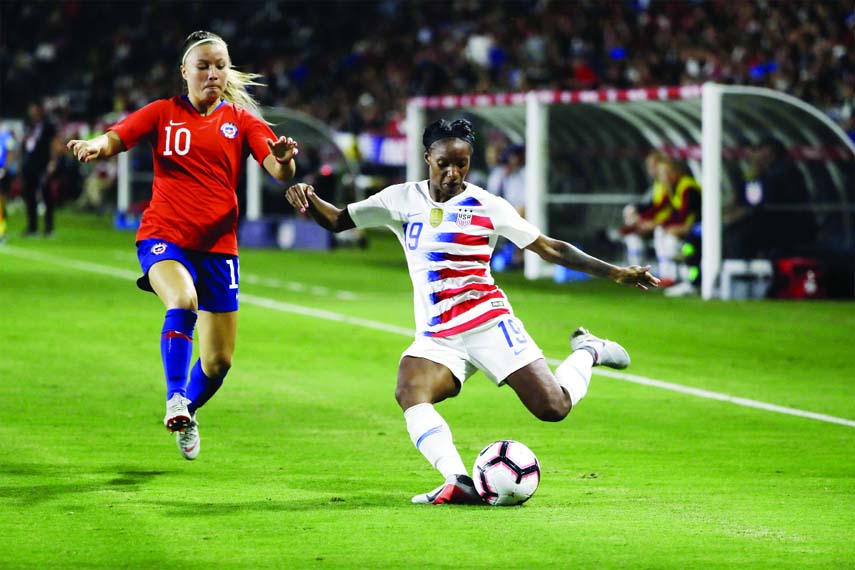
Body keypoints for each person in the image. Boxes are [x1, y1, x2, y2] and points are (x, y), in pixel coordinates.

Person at [285, 118, 658, 504]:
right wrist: (306, 194)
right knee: (409, 390)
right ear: (427, 157)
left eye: (461, 164)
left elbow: (551, 248)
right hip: (438, 335)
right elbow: (336, 220)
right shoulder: (400, 199)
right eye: (444, 163)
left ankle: (589, 350)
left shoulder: (487, 206)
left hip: (489, 324)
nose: (453, 173)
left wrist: (615, 273)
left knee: (554, 407)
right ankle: (457, 479)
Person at [66, 30, 299, 460]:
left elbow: (278, 170)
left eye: (220, 66)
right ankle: (175, 395)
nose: (213, 74)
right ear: (184, 72)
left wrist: (284, 160)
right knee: (183, 300)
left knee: (218, 363)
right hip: (163, 237)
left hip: (219, 248)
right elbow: (118, 136)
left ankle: (185, 411)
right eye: (204, 66)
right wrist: (95, 147)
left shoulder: (243, 122)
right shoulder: (162, 113)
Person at [652, 158, 702, 297]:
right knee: (662, 233)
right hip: (689, 227)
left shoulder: (687, 187)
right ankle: (668, 276)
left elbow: (686, 213)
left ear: (675, 172)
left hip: (697, 227)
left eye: (665, 172)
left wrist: (671, 226)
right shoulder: (673, 188)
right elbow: (673, 212)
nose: (662, 176)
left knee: (681, 246)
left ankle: (683, 280)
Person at [619, 150, 670, 269]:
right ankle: (636, 271)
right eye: (649, 167)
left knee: (662, 235)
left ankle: (668, 275)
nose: (650, 170)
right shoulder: (657, 185)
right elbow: (651, 205)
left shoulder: (669, 185)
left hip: (664, 224)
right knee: (632, 236)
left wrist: (644, 221)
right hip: (655, 223)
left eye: (653, 166)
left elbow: (666, 208)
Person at [21, 102, 57, 237]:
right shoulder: (28, 125)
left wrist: (53, 162)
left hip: (43, 165)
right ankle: (32, 227)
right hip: (29, 165)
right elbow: (25, 144)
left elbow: (54, 143)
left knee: (47, 196)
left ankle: (49, 228)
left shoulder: (48, 126)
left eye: (35, 110)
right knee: (29, 197)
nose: (32, 113)